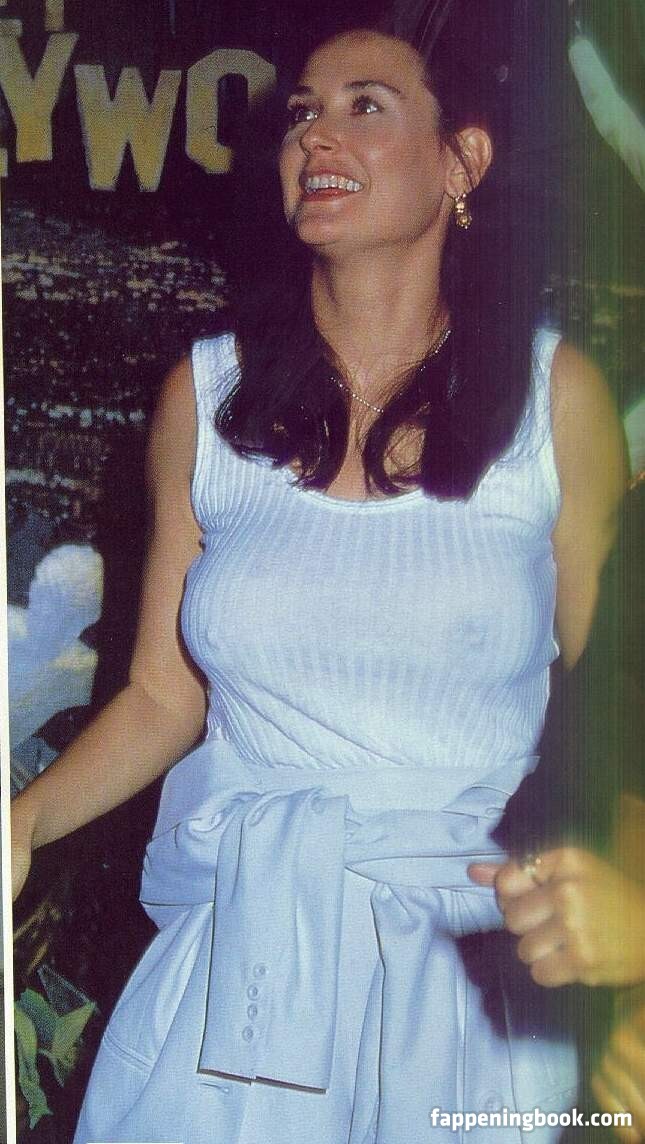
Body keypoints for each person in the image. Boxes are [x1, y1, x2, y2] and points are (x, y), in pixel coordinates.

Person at [11, 3, 627, 1142]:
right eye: (303, 114)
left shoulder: (558, 401)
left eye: (365, 107)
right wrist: (23, 822)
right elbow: (161, 697)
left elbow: (619, 711)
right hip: (238, 973)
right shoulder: (205, 396)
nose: (316, 137)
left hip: (476, 973)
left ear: (462, 162)